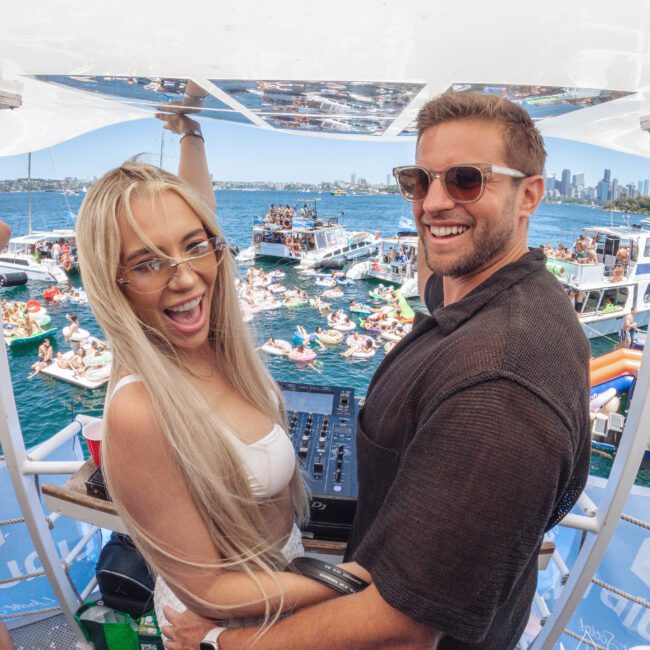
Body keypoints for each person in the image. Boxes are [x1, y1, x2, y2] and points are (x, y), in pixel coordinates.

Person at [168, 92, 591, 649]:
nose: (433, 201)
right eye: (418, 181)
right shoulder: (492, 292)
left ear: (529, 194)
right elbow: (433, 275)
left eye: (467, 180)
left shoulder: (499, 390)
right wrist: (192, 141)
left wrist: (220, 641)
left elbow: (401, 628)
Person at [76, 110, 368, 642]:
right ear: (111, 284)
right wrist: (355, 582)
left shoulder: (213, 348)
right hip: (228, 618)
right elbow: (208, 590)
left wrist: (192, 131)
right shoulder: (140, 408)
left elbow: (198, 212)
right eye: (146, 264)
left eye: (193, 246)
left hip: (284, 584)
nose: (185, 277)